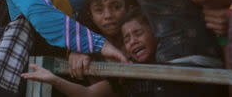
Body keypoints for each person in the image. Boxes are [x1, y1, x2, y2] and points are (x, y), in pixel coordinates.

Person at [22, 8, 158, 97]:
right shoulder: (123, 75)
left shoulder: (174, 60)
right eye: (126, 39)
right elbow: (87, 94)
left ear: (154, 33)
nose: (133, 41)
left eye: (138, 33)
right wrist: (54, 80)